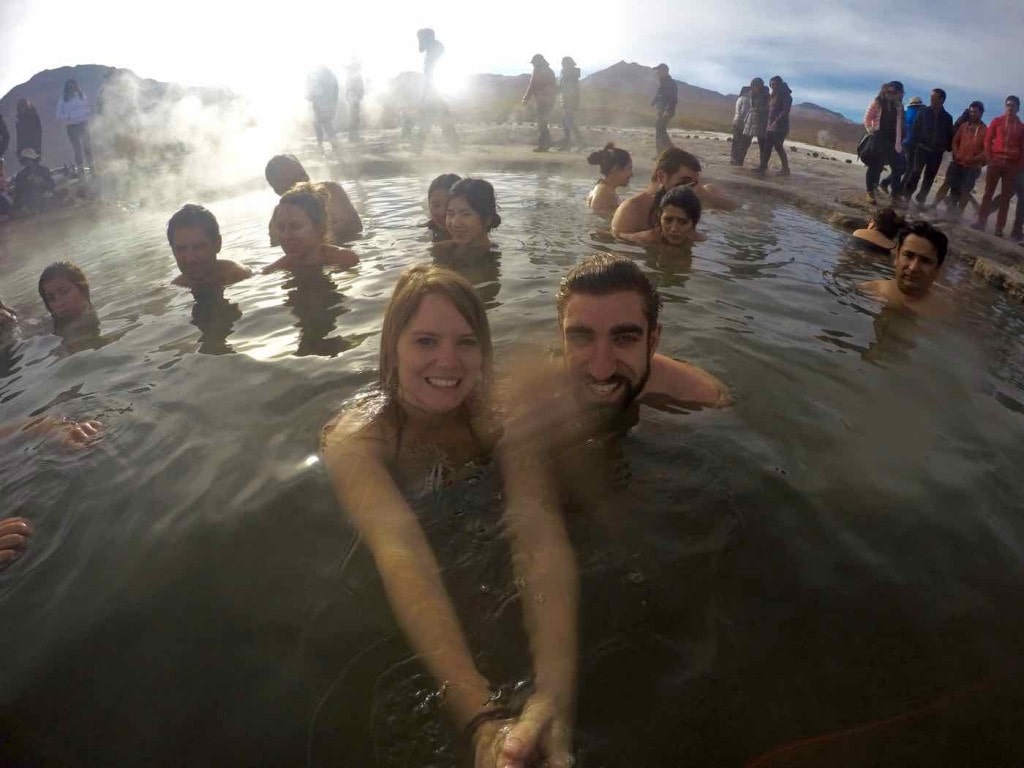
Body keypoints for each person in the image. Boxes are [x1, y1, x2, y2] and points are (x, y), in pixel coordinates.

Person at [320, 265, 577, 768]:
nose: (447, 360)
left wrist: (554, 693)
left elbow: (537, 529)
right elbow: (401, 554)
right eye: (425, 341)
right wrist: (480, 720)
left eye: (465, 342)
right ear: (392, 348)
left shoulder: (498, 420)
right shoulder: (358, 440)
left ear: (483, 351)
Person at [611, 147, 735, 236]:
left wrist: (706, 196)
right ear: (662, 177)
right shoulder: (631, 211)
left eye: (694, 183)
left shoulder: (690, 200)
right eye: (684, 181)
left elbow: (733, 207)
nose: (690, 189)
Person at [263, 183, 359, 273]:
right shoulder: (276, 269)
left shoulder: (344, 259)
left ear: (319, 228)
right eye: (281, 227)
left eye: (296, 226)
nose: (286, 235)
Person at [264, 154, 362, 243]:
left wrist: (309, 238)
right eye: (295, 181)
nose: (304, 182)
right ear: (277, 189)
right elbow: (277, 245)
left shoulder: (329, 192)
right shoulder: (278, 218)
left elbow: (353, 223)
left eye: (304, 176)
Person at [860, 221, 949, 312]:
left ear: (937, 269)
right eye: (909, 255)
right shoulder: (868, 292)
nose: (913, 267)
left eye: (925, 261)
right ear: (897, 257)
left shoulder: (946, 312)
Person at [167, 204, 252, 291]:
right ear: (173, 251)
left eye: (198, 247)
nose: (190, 259)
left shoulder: (239, 276)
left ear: (217, 244)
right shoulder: (173, 288)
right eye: (181, 249)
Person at [974, 96, 1023, 237]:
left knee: (1006, 198)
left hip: (1011, 166)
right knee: (988, 193)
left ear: (1018, 108)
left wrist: (1018, 166)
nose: (1010, 108)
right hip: (995, 162)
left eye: (1013, 105)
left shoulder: (1021, 127)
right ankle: (981, 222)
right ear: (1005, 106)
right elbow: (988, 140)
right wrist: (989, 157)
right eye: (1008, 105)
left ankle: (999, 228)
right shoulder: (997, 121)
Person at [930, 101, 986, 215]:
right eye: (971, 111)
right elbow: (955, 141)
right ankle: (934, 205)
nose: (972, 114)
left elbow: (987, 150)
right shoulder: (964, 126)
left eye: (975, 112)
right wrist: (956, 153)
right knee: (947, 183)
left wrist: (975, 159)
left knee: (966, 190)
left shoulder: (986, 130)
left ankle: (958, 213)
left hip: (973, 166)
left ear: (981, 113)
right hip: (958, 161)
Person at [900, 88, 954, 204]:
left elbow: (950, 134)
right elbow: (916, 128)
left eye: (933, 97)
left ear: (941, 99)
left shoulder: (947, 117)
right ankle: (907, 195)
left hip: (937, 152)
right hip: (922, 148)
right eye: (931, 97)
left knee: (929, 177)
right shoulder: (924, 112)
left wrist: (947, 147)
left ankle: (921, 199)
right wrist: (916, 143)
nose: (930, 99)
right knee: (915, 173)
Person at [616, 184, 706, 247]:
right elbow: (618, 236)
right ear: (659, 217)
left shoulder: (700, 240)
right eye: (668, 220)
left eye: (682, 222)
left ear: (694, 222)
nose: (674, 229)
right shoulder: (647, 239)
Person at [433, 178, 501, 260]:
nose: (455, 223)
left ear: (487, 219)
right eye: (450, 214)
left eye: (465, 214)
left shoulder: (496, 255)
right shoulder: (441, 250)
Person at [415, 28, 459, 152]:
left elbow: (430, 78)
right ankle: (455, 149)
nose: (419, 42)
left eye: (420, 39)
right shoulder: (435, 52)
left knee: (434, 121)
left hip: (435, 94)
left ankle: (418, 148)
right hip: (436, 94)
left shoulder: (434, 54)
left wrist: (424, 98)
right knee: (433, 121)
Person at [862, 82, 904, 202]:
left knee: (898, 167)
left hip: (892, 140)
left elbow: (899, 125)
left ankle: (894, 194)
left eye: (894, 93)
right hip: (879, 138)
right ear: (884, 92)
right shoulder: (877, 103)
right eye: (888, 92)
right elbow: (867, 118)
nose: (891, 95)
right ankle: (870, 191)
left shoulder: (898, 107)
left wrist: (899, 139)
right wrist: (871, 130)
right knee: (875, 166)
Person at [38, 261, 99, 337]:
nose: (59, 303)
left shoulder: (103, 316)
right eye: (51, 298)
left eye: (64, 292)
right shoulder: (46, 328)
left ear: (82, 289)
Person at [55, 79, 95, 175]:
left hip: (83, 124)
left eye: (73, 86)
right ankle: (81, 171)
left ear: (76, 87)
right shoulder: (63, 100)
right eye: (69, 87)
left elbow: (88, 109)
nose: (71, 88)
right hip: (72, 127)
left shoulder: (81, 97)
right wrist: (69, 117)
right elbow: (58, 115)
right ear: (67, 88)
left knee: (87, 147)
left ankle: (92, 168)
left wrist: (84, 115)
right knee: (77, 149)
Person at [755, 76, 792, 176]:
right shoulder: (773, 95)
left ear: (779, 84)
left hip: (780, 127)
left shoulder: (785, 95)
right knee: (767, 147)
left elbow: (785, 111)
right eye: (771, 84)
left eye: (774, 84)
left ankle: (786, 169)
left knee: (778, 146)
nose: (772, 87)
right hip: (770, 126)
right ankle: (763, 166)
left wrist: (777, 121)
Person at [879, 85, 912, 195]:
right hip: (887, 140)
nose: (903, 94)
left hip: (898, 142)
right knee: (882, 166)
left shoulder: (899, 106)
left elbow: (902, 124)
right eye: (902, 92)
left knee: (900, 168)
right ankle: (887, 191)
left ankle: (888, 188)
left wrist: (902, 136)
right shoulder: (886, 105)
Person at [522, 55, 558, 152]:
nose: (533, 65)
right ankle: (546, 143)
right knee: (542, 123)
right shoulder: (546, 71)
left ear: (538, 62)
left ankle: (544, 144)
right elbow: (533, 86)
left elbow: (533, 85)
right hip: (544, 100)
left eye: (534, 63)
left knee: (542, 123)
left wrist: (526, 99)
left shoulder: (543, 72)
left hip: (545, 101)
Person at [585, 143, 633, 216]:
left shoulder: (604, 190)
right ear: (615, 170)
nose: (631, 174)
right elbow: (604, 224)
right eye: (628, 169)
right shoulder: (604, 194)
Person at [307, 66, 340, 155]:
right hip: (327, 105)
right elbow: (336, 91)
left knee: (319, 125)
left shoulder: (316, 76)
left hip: (319, 105)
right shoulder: (331, 75)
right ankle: (334, 147)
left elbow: (312, 94)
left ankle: (321, 147)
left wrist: (310, 96)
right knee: (327, 125)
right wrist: (333, 103)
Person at [11, 148, 55, 214]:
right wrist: (25, 182)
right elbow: (18, 190)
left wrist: (41, 182)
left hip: (42, 198)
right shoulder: (21, 174)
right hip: (26, 201)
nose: (27, 162)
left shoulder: (44, 170)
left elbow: (51, 184)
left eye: (28, 159)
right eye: (25, 160)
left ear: (34, 160)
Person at [423, 173, 462, 241]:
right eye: (436, 205)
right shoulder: (421, 231)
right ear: (429, 205)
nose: (442, 213)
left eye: (449, 205)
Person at [740, 78, 769, 167]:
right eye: (753, 86)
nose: (754, 88)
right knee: (745, 142)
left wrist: (758, 109)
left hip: (761, 121)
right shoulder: (752, 94)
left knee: (762, 144)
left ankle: (763, 165)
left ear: (760, 86)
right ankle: (739, 161)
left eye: (755, 86)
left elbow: (768, 108)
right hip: (751, 119)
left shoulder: (766, 96)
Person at [651, 63, 678, 154]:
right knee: (660, 128)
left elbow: (673, 98)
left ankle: (663, 152)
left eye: (659, 70)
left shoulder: (670, 83)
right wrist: (653, 102)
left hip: (667, 110)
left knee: (659, 126)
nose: (657, 72)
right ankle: (668, 150)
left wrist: (667, 109)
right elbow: (659, 94)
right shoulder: (662, 82)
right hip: (662, 110)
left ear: (664, 71)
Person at [558, 56, 582, 151]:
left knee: (567, 121)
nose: (562, 65)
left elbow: (568, 88)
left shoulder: (570, 74)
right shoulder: (569, 74)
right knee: (568, 122)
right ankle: (576, 142)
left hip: (570, 101)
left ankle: (573, 143)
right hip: (569, 100)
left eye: (563, 64)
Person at [730, 86, 752, 165]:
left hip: (735, 121)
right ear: (747, 92)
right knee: (742, 143)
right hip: (742, 123)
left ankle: (733, 158)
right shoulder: (746, 99)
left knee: (735, 141)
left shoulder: (739, 99)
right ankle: (738, 161)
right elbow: (744, 112)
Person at [345, 62, 365, 142]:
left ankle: (353, 136)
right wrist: (360, 93)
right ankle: (353, 137)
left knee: (354, 118)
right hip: (354, 98)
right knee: (354, 118)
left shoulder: (351, 76)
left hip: (353, 98)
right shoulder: (354, 76)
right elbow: (358, 87)